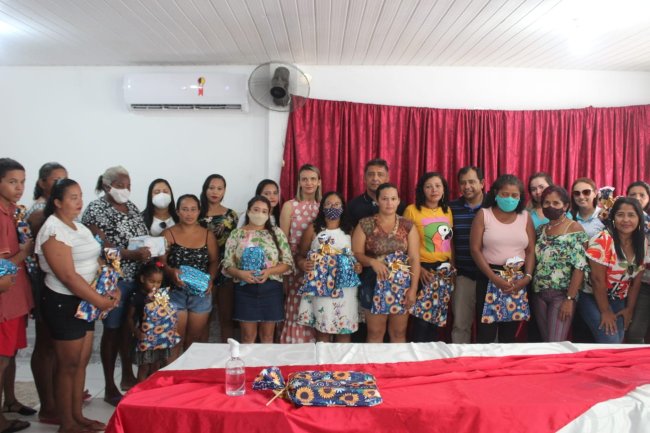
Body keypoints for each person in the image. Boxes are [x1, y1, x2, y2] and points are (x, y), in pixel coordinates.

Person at [36, 178, 120, 433]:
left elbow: (97, 259)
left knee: (80, 363)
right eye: (73, 197)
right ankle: (67, 423)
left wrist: (111, 287)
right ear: (57, 202)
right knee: (68, 365)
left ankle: (77, 416)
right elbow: (68, 276)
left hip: (86, 301)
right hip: (64, 301)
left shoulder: (78, 227)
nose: (79, 201)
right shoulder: (53, 229)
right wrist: (99, 301)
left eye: (80, 196)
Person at [81, 165, 150, 405]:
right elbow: (100, 246)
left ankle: (127, 375)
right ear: (107, 185)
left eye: (128, 185)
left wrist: (150, 250)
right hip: (113, 279)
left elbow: (141, 236)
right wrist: (132, 254)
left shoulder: (131, 207)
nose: (126, 189)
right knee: (111, 330)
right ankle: (110, 385)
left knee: (128, 329)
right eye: (120, 185)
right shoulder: (96, 209)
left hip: (136, 278)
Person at [470, 174, 535, 343]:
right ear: (496, 193)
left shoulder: (525, 217)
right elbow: (475, 250)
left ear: (520, 197)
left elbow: (530, 250)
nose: (510, 199)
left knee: (509, 334)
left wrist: (527, 277)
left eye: (514, 195)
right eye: (505, 194)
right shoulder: (484, 215)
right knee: (486, 334)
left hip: (516, 281)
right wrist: (493, 278)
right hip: (488, 278)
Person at [25, 162, 67, 424]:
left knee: (55, 344)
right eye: (56, 179)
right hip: (44, 281)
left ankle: (56, 398)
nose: (61, 184)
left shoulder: (54, 211)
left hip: (57, 281)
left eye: (65, 179)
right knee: (45, 344)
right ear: (42, 183)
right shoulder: (40, 212)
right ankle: (48, 405)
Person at [352, 183, 421, 343]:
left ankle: (397, 361)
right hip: (373, 282)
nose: (389, 203)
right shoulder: (365, 224)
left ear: (398, 201)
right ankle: (374, 360)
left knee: (399, 332)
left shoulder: (407, 225)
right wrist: (372, 262)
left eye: (393, 199)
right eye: (384, 199)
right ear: (377, 201)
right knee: (375, 332)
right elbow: (356, 253)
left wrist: (413, 289)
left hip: (401, 285)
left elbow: (414, 258)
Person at [222, 196, 293, 343]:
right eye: (256, 210)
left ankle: (266, 360)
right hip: (245, 289)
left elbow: (287, 263)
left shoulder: (277, 233)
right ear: (248, 211)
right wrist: (240, 273)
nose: (259, 214)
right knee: (248, 337)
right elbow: (227, 264)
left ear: (268, 215)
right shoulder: (237, 234)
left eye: (264, 211)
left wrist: (269, 272)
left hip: (271, 289)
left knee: (267, 336)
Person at [578, 197, 646, 343]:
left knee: (618, 341)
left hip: (618, 298)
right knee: (611, 341)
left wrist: (629, 309)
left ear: (639, 218)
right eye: (620, 215)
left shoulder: (643, 242)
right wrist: (605, 311)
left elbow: (636, 281)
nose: (626, 220)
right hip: (591, 296)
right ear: (613, 218)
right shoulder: (603, 239)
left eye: (631, 215)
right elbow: (597, 280)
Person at [296, 192, 361, 342]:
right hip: (321, 286)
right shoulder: (313, 229)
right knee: (323, 328)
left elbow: (357, 256)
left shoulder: (350, 230)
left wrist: (358, 266)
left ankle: (342, 358)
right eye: (329, 204)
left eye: (337, 204)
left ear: (343, 208)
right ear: (322, 207)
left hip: (345, 287)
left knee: (344, 329)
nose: (333, 207)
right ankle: (323, 357)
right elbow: (300, 254)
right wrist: (302, 263)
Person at [161, 194, 218, 359]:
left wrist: (210, 279)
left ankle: (188, 373)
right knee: (175, 339)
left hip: (201, 293)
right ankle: (172, 372)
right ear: (177, 211)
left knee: (194, 340)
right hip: (174, 292)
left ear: (199, 211)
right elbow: (160, 262)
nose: (189, 213)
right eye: (185, 209)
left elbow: (214, 261)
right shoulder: (168, 234)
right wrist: (170, 271)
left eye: (193, 209)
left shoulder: (207, 235)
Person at [0, 159, 33, 433]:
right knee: (1, 358)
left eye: (22, 182)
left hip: (16, 298)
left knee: (10, 355)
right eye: (12, 182)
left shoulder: (13, 211)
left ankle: (9, 401)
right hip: (5, 301)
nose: (19, 187)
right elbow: (3, 267)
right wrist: (25, 252)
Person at [532, 186, 588, 342]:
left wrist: (570, 299)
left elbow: (580, 267)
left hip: (562, 295)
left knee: (555, 343)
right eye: (546, 202)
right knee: (546, 343)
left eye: (556, 203)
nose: (550, 206)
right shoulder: (540, 230)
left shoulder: (574, 228)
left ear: (565, 206)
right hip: (539, 293)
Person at [403, 172, 453, 342]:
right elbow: (404, 245)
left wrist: (452, 268)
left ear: (444, 189)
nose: (434, 190)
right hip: (423, 269)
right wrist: (420, 270)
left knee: (436, 319)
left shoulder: (447, 211)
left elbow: (449, 243)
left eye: (438, 186)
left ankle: (432, 355)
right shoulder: (411, 210)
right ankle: (418, 354)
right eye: (429, 186)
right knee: (421, 321)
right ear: (422, 190)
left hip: (444, 271)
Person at [279, 164, 322, 344]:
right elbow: (282, 241)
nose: (309, 183)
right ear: (299, 182)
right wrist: (287, 270)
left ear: (319, 182)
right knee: (295, 308)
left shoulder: (322, 207)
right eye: (304, 179)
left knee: (316, 308)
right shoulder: (290, 206)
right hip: (294, 266)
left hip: (318, 269)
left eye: (313, 179)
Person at [199, 174, 238, 343]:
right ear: (205, 189)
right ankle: (201, 354)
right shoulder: (196, 212)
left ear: (224, 191)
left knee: (226, 317)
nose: (215, 192)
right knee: (203, 317)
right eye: (211, 188)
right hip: (202, 270)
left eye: (219, 188)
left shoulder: (231, 215)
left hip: (225, 269)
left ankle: (228, 354)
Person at [449, 166, 485, 343]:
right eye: (463, 183)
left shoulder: (493, 206)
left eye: (472, 182)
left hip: (491, 277)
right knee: (460, 325)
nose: (467, 186)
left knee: (490, 326)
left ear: (482, 183)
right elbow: (447, 241)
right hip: (463, 275)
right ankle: (459, 358)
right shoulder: (451, 208)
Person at [127, 262, 178, 381]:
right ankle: (140, 390)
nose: (155, 285)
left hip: (159, 337)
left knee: (156, 365)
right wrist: (136, 331)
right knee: (144, 367)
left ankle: (152, 389)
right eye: (152, 281)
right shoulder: (137, 296)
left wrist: (172, 327)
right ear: (142, 279)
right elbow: (129, 317)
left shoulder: (162, 296)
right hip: (144, 337)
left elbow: (168, 313)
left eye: (158, 282)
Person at [569, 177, 605, 343]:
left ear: (595, 193)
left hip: (600, 280)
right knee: (580, 329)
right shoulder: (569, 216)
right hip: (575, 280)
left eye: (586, 192)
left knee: (600, 328)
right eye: (577, 193)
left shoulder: (605, 216)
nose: (581, 196)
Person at [347, 159, 406, 227]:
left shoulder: (399, 206)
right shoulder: (352, 206)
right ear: (364, 178)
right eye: (370, 174)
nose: (375, 178)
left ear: (387, 178)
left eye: (380, 175)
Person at [626, 181, 650, 343]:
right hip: (641, 284)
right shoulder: (622, 220)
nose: (637, 198)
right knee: (635, 332)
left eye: (642, 195)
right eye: (633, 194)